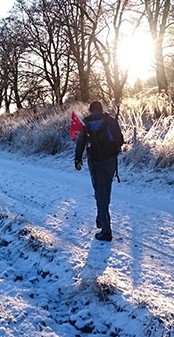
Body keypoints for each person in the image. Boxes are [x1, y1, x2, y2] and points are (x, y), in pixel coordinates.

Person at [74, 101, 124, 242]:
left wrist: (78, 159)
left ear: (90, 110)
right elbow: (121, 141)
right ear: (102, 109)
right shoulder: (111, 121)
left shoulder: (86, 123)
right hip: (110, 161)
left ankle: (106, 231)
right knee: (105, 190)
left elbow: (80, 142)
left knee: (99, 192)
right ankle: (101, 217)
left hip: (95, 162)